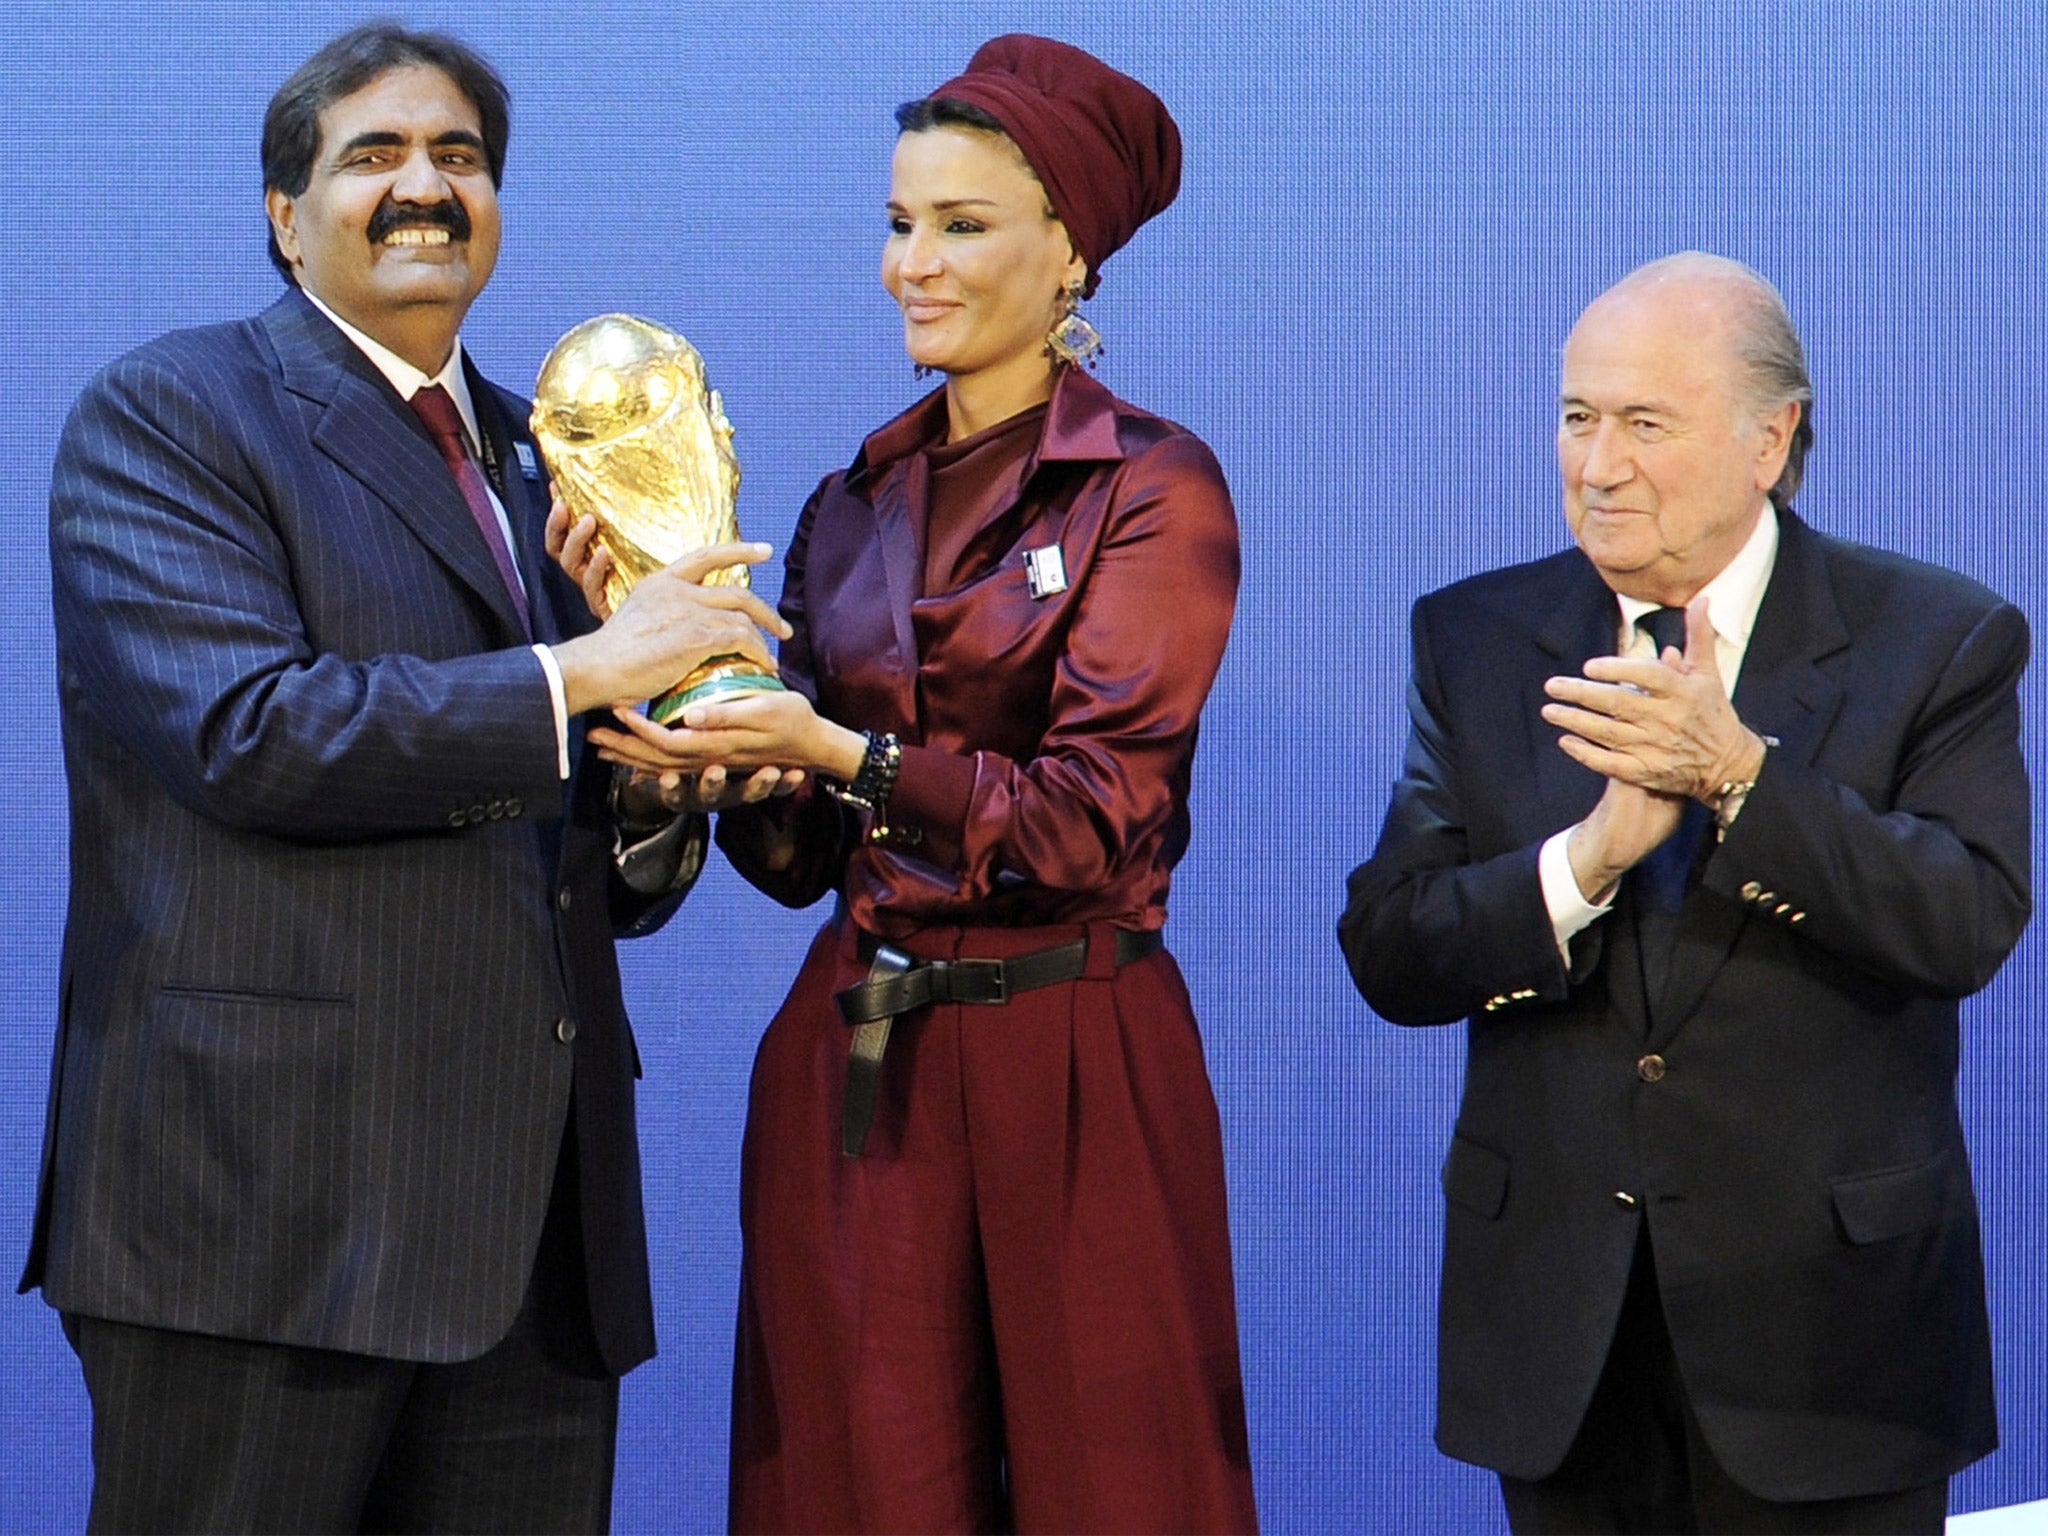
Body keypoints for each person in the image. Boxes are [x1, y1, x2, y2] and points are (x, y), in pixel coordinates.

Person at [21, 22, 789, 1533]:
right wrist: (587, 674)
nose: (424, 187)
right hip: (266, 1228)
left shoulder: (548, 457)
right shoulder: (170, 415)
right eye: (372, 155)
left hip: (534, 1252)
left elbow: (571, 833)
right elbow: (253, 732)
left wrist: (652, 791)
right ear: (282, 210)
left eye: (460, 158)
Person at [553, 33, 1258, 1534]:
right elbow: (809, 855)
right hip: (857, 1072)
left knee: (1113, 1491)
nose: (909, 265)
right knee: (859, 1492)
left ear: (1072, 253)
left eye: (960, 224)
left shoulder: (1154, 486)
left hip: (1077, 1060)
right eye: (897, 223)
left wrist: (836, 751)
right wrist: (713, 746)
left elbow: (1087, 821)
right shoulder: (847, 501)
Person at [1338, 252, 2031, 1534]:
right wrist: (1584, 860)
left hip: (1828, 1349)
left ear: (1769, 439)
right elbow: (1390, 944)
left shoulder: (1934, 639)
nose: (1596, 466)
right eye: (1575, 416)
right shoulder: (1476, 640)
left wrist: (1737, 779)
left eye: (1642, 424)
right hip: (1561, 1340)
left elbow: (1963, 916)